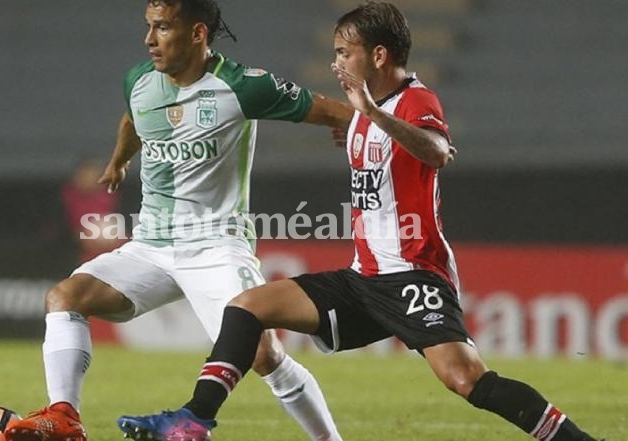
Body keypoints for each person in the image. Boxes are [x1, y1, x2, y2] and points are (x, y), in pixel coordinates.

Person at [116, 2, 605, 441]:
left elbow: (436, 152)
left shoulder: (415, 101)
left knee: (466, 379)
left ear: (378, 55)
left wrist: (371, 114)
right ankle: (194, 420)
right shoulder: (363, 113)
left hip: (412, 273)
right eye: (333, 52)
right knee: (246, 307)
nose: (337, 63)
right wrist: (360, 121)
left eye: (345, 52)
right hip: (363, 278)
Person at [2, 1, 354, 441]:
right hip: (151, 247)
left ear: (197, 33)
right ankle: (65, 417)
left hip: (215, 245)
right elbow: (134, 117)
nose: (150, 39)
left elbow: (331, 109)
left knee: (264, 355)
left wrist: (355, 127)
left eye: (163, 27)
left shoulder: (244, 86)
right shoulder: (140, 81)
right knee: (65, 297)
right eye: (149, 27)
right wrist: (117, 162)